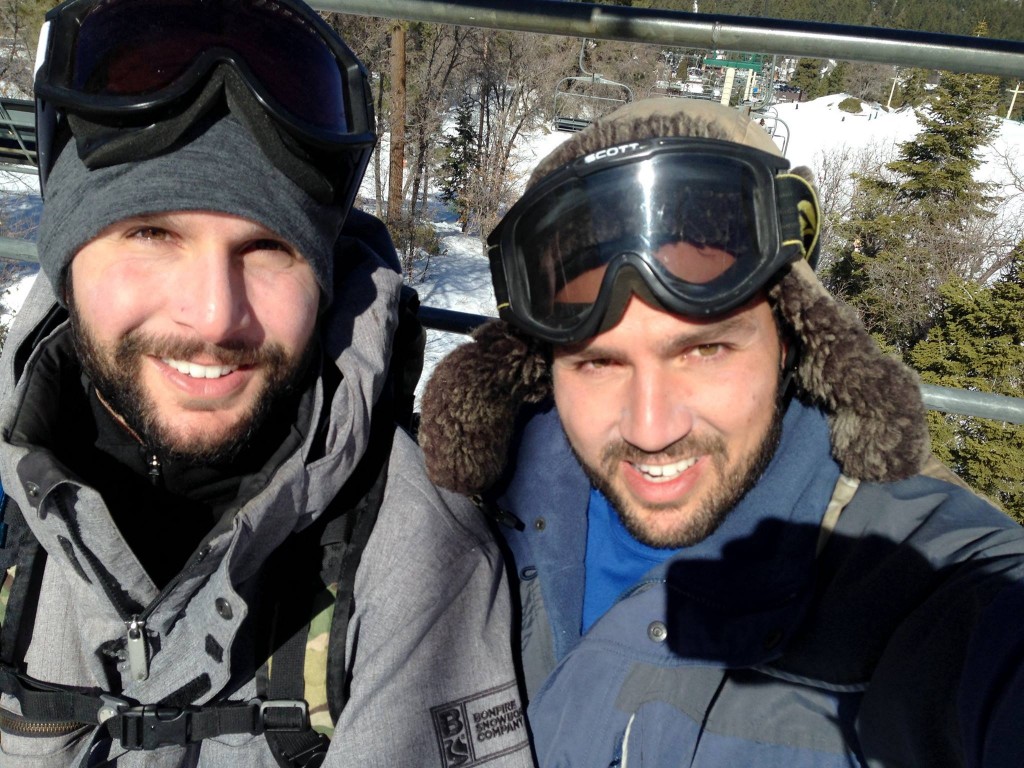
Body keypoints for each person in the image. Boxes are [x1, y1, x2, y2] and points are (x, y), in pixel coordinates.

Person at [0, 0, 533, 765]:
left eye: (266, 248)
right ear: (66, 257)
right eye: (152, 233)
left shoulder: (412, 554)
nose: (215, 316)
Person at [420, 98, 1024, 767]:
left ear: (793, 340)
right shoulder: (453, 514)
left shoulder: (914, 577)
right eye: (598, 362)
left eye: (704, 352)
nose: (652, 428)